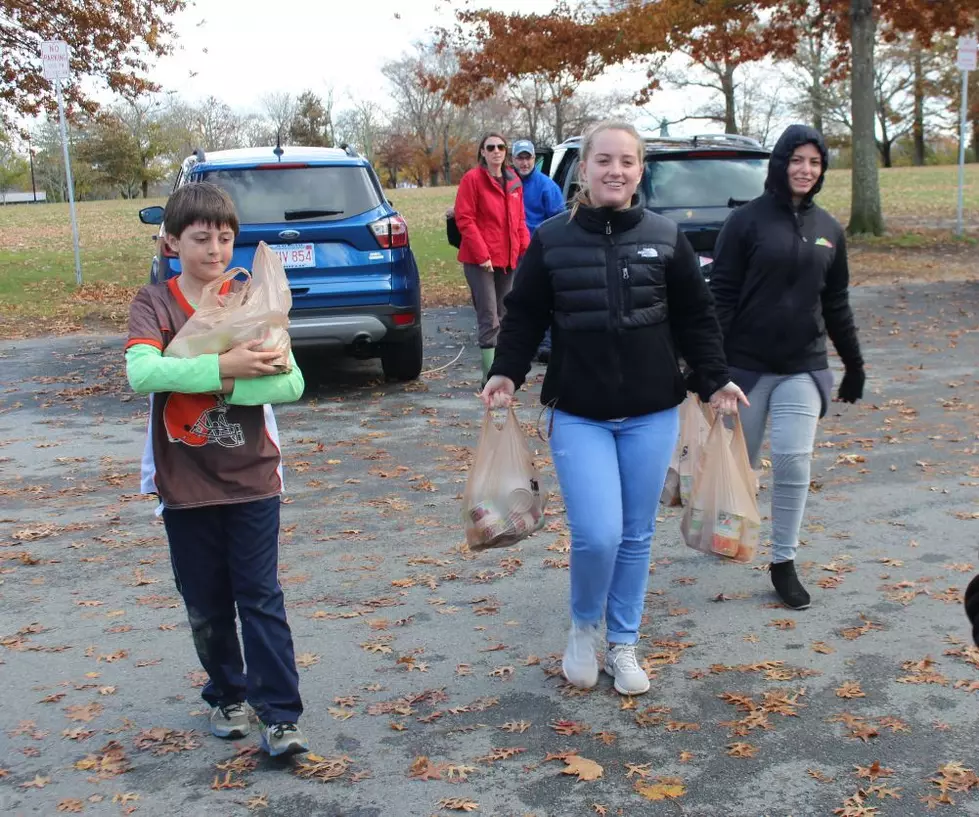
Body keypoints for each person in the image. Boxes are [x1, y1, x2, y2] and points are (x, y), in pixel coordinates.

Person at [480, 121, 747, 696]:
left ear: (639, 170)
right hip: (579, 411)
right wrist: (506, 371)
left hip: (653, 410)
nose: (615, 171)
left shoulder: (665, 236)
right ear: (585, 169)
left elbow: (697, 319)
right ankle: (582, 630)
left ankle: (623, 642)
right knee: (597, 534)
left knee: (634, 535)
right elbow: (524, 316)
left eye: (627, 161)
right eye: (604, 160)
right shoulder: (552, 239)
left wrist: (715, 379)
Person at [125, 182, 309, 757]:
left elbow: (290, 383)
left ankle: (280, 716)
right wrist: (225, 364)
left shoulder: (252, 300)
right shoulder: (154, 304)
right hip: (182, 481)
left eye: (226, 238)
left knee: (259, 595)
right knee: (206, 601)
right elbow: (143, 374)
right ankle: (227, 693)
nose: (215, 251)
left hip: (251, 474)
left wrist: (228, 377)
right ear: (171, 240)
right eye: (201, 238)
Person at [708, 124, 865, 611]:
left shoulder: (829, 229)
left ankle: (783, 561)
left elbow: (836, 302)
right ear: (780, 164)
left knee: (795, 461)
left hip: (803, 366)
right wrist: (710, 371)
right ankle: (728, 525)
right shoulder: (746, 223)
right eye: (797, 160)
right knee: (742, 466)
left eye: (815, 162)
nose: (805, 169)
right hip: (746, 371)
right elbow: (721, 298)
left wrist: (854, 364)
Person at [453, 132, 531, 384]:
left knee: (505, 313)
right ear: (483, 152)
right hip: (480, 261)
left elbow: (519, 221)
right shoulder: (472, 180)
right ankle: (488, 375)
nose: (496, 151)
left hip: (507, 259)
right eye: (491, 147)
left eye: (500, 147)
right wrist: (481, 254)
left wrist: (526, 251)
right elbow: (465, 219)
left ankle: (502, 371)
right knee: (488, 315)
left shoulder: (514, 181)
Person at [511, 138, 566, 364]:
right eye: (520, 158)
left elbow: (558, 219)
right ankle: (524, 342)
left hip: (539, 250)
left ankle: (547, 344)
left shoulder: (546, 186)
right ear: (513, 160)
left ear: (535, 159)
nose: (524, 162)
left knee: (544, 297)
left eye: (528, 158)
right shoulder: (508, 184)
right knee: (519, 300)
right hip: (513, 251)